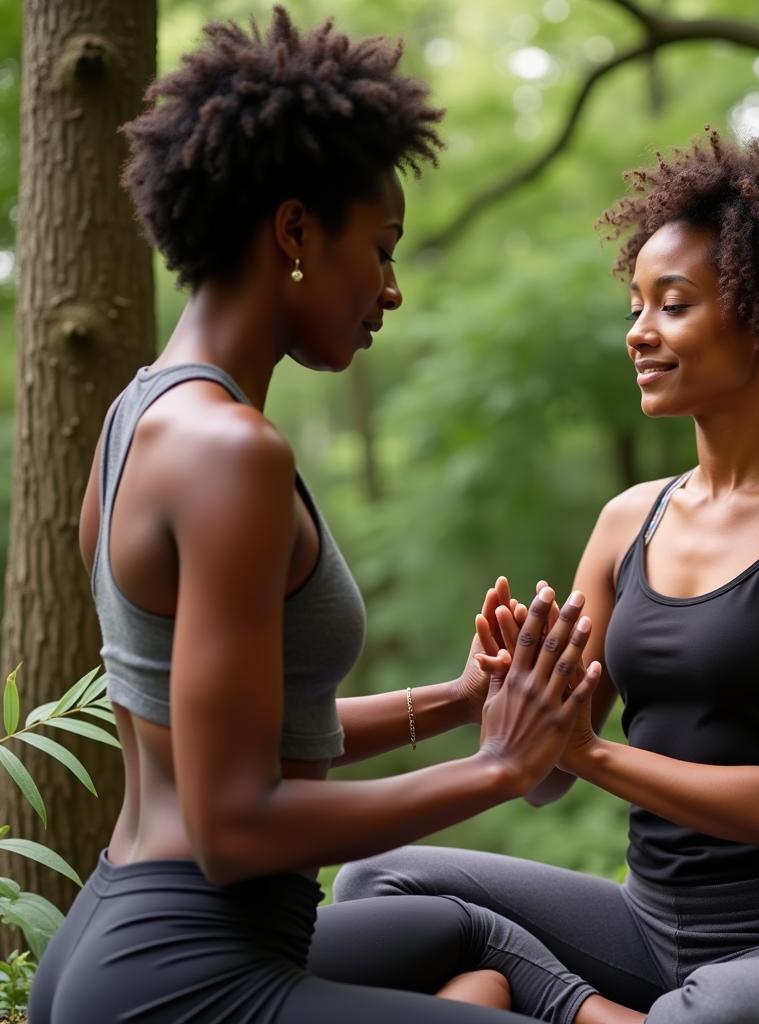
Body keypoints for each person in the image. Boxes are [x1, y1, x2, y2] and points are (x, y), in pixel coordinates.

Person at [28, 9, 613, 1023]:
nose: (388, 290)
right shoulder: (230, 455)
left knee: (469, 938)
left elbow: (243, 734)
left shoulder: (140, 411)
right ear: (294, 231)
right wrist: (501, 767)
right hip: (186, 976)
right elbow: (235, 824)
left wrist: (461, 698)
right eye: (380, 249)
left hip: (116, 935)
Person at [335, 131, 759, 1024]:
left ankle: (547, 1004)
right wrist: (514, 704)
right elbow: (543, 781)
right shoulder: (627, 521)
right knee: (379, 882)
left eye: (672, 305)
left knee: (721, 1014)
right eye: (636, 305)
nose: (638, 332)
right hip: (643, 925)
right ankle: (580, 1006)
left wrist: (588, 750)